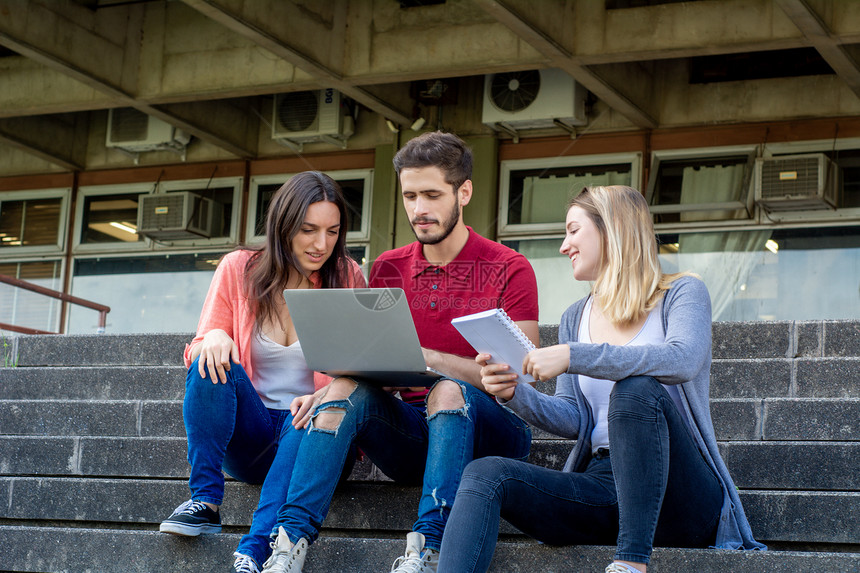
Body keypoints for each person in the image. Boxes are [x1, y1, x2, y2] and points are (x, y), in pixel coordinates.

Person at [436, 185, 766, 573]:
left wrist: (575, 356)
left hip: (680, 490)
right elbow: (574, 418)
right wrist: (514, 393)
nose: (564, 246)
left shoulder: (682, 292)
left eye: (573, 231)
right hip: (605, 483)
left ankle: (630, 563)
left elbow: (683, 359)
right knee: (485, 473)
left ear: (612, 229)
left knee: (636, 388)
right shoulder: (576, 317)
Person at [258, 131, 540, 573]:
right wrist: (335, 387)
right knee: (345, 386)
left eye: (431, 194)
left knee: (447, 391)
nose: (418, 209)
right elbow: (370, 359)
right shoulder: (389, 265)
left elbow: (524, 377)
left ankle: (427, 548)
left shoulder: (509, 267)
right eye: (410, 195)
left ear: (463, 191)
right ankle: (287, 545)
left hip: (492, 434)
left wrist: (429, 360)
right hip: (412, 434)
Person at [158, 172, 366, 573]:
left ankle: (254, 548)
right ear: (283, 225)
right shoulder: (239, 268)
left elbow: (362, 372)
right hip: (251, 437)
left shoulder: (346, 277)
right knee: (208, 361)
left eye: (332, 231)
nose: (321, 244)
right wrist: (214, 336)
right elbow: (202, 343)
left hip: (313, 438)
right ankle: (204, 499)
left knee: (305, 416)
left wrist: (324, 396)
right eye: (308, 230)